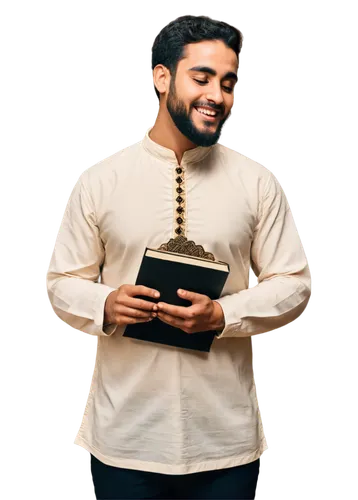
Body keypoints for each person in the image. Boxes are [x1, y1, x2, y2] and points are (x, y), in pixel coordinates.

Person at [45, 13, 312, 500]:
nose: (218, 95)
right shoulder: (102, 180)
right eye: (202, 77)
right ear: (162, 77)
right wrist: (106, 304)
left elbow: (294, 282)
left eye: (229, 83)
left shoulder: (257, 182)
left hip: (226, 445)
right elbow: (61, 282)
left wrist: (223, 314)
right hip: (125, 442)